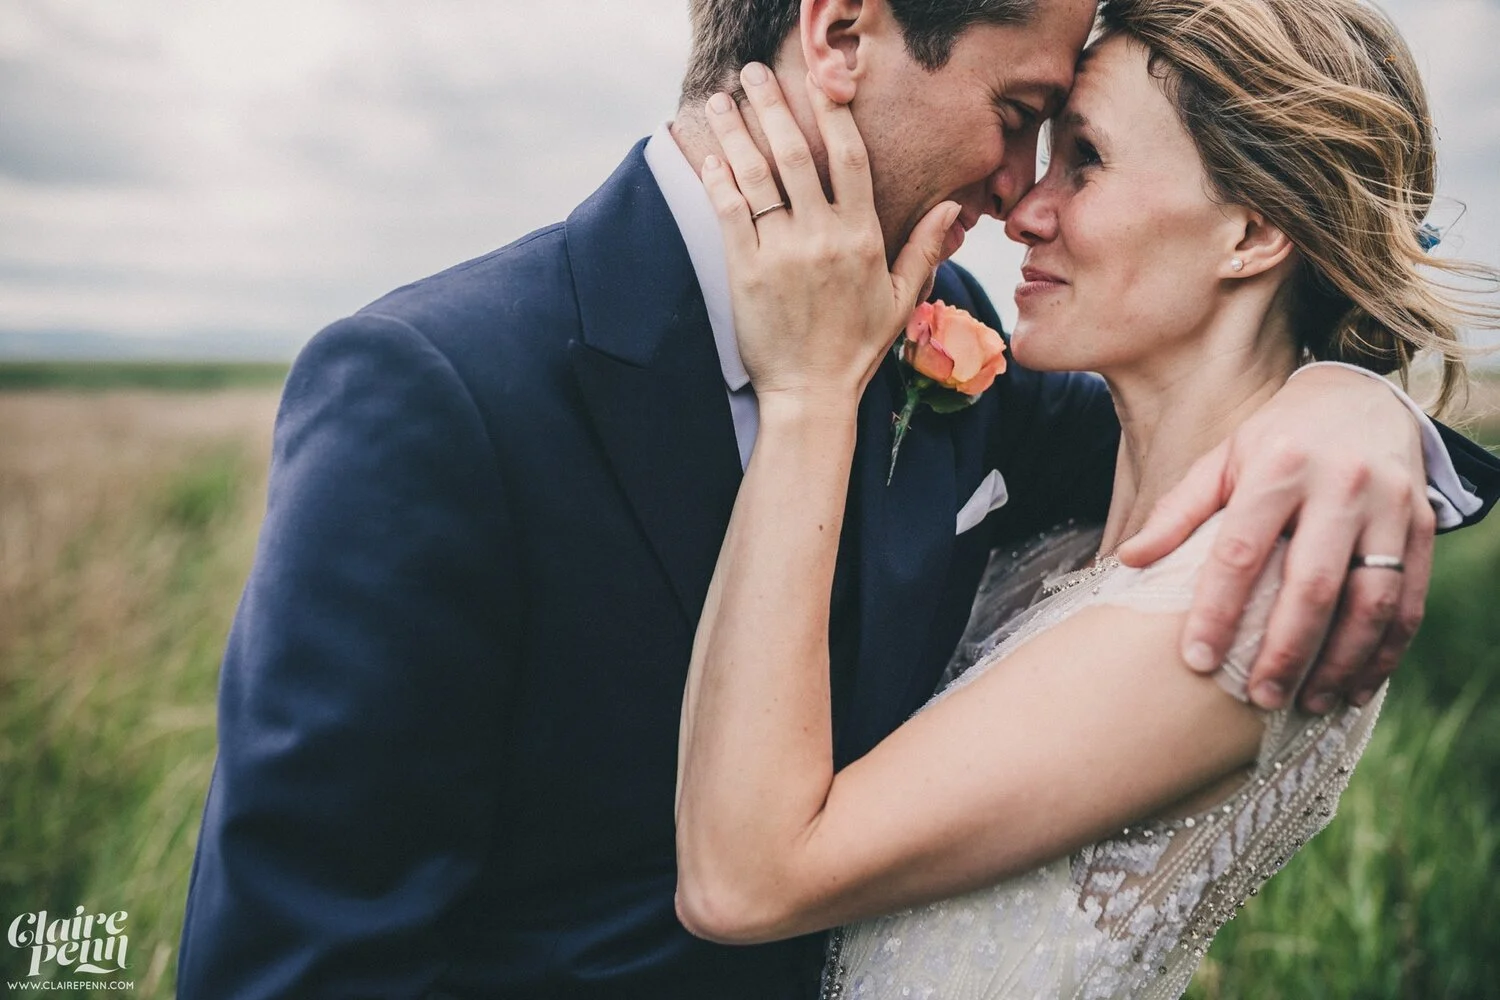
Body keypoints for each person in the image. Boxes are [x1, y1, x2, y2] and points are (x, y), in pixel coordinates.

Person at [176, 1, 1500, 997]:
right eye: (1021, 114)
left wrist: (1358, 404)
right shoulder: (436, 389)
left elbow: (1200, 428)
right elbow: (302, 956)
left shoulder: (954, 334)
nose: (1018, 195)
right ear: (844, 34)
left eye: (1073, 149)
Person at [672, 0, 1500, 997]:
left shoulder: (1241, 600)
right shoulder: (1073, 525)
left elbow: (742, 881)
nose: (1023, 207)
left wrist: (809, 393)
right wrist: (1357, 400)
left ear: (1251, 231)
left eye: (1087, 160)